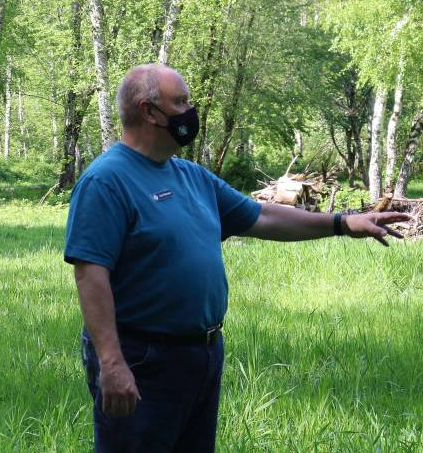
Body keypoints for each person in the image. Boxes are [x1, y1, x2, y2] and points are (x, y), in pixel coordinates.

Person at [65, 64, 408, 453]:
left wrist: (342, 223)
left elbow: (260, 215)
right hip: (142, 359)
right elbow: (90, 274)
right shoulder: (106, 181)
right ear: (149, 112)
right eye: (180, 102)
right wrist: (111, 363)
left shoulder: (190, 176)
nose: (190, 111)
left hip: (202, 353)